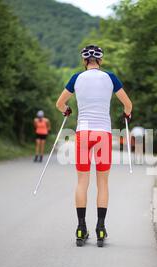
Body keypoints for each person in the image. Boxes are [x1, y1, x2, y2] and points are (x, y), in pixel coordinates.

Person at [55, 45, 133, 247]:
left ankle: (81, 228)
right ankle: (100, 228)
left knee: (82, 181)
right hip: (103, 134)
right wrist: (127, 113)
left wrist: (67, 110)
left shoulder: (76, 78)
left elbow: (59, 104)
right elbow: (128, 104)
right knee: (103, 183)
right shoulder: (110, 78)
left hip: (83, 133)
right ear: (100, 60)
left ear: (84, 61)